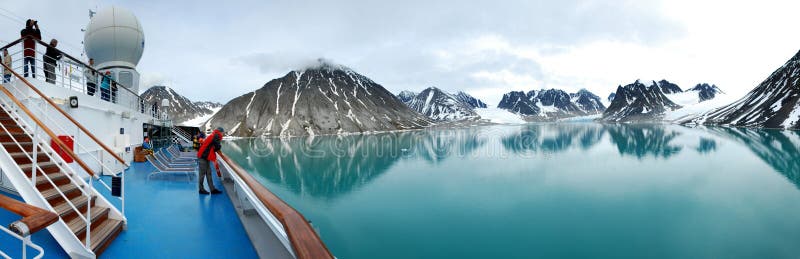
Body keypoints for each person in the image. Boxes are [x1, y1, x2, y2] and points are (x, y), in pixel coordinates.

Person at [197, 127, 224, 194]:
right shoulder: (216, 135)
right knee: (202, 174)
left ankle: (212, 189)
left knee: (209, 173)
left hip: (206, 157)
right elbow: (217, 146)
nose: (223, 134)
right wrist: (221, 155)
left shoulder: (213, 135)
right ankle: (201, 189)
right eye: (223, 133)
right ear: (220, 132)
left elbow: (212, 146)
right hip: (203, 157)